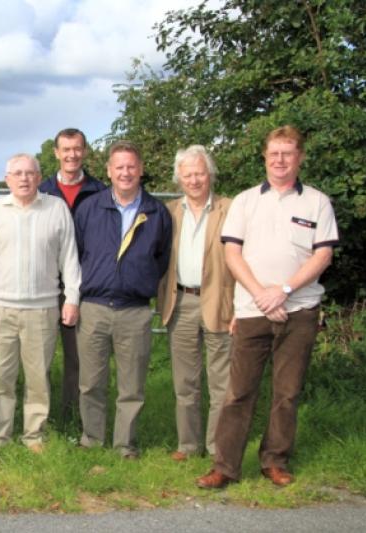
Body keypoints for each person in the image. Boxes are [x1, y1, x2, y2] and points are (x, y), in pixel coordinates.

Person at [197, 126, 339, 488]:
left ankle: (275, 461)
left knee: (286, 393)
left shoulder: (317, 202)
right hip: (252, 310)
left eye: (287, 153)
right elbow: (232, 253)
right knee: (238, 393)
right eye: (274, 153)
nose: (280, 160)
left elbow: (323, 255)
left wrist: (284, 291)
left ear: (299, 157)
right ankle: (225, 467)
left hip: (299, 310)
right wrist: (262, 294)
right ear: (265, 157)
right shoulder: (246, 201)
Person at [0, 154, 80, 452]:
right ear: (7, 179)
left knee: (38, 378)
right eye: (17, 173)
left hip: (42, 309)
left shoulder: (56, 208)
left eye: (30, 173)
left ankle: (34, 436)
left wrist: (72, 298)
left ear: (39, 177)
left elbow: (69, 258)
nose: (24, 178)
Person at [75, 140, 172, 458]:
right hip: (94, 308)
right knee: (91, 383)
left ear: (141, 169)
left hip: (134, 311)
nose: (125, 173)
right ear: (109, 171)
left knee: (131, 386)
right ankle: (91, 440)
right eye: (119, 167)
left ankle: (125, 445)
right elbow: (77, 253)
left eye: (131, 166)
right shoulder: (90, 208)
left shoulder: (156, 212)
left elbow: (161, 259)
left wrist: (136, 280)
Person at [157, 145, 233, 461]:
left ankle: (218, 447)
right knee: (185, 382)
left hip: (220, 302)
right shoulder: (169, 212)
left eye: (200, 173)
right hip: (181, 302)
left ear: (210, 174)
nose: (194, 180)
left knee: (222, 383)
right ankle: (187, 445)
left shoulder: (230, 209)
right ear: (179, 178)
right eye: (187, 175)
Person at [38, 128, 106, 421]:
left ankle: (72, 416)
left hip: (83, 285)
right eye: (66, 149)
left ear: (85, 151)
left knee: (78, 356)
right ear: (56, 153)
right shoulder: (41, 190)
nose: (72, 155)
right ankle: (39, 415)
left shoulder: (100, 192)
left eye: (77, 148)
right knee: (38, 355)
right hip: (44, 284)